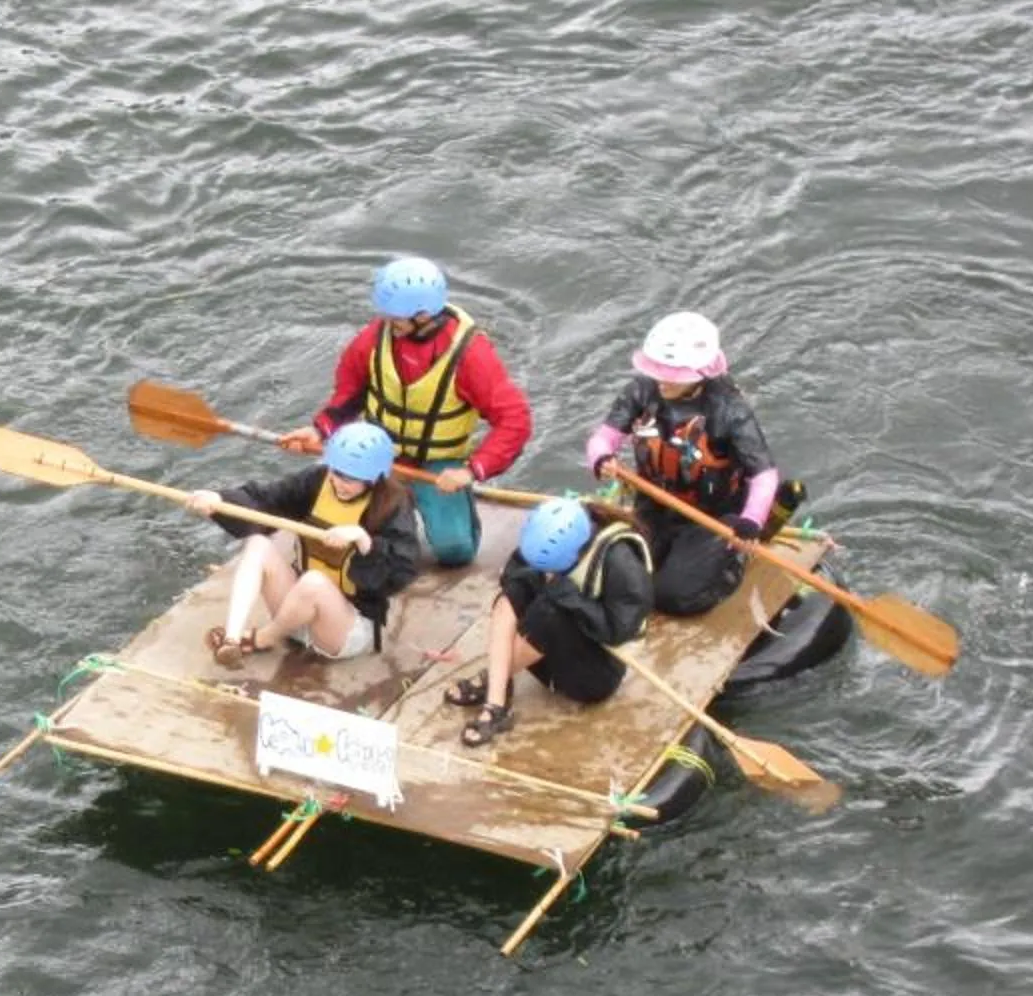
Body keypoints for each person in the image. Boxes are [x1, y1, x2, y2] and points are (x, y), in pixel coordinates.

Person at [275, 254, 533, 567]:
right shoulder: (372, 340)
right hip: (377, 454)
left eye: (395, 318)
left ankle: (435, 509)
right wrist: (321, 429)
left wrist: (471, 470)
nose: (387, 322)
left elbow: (515, 421)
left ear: (423, 317)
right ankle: (396, 509)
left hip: (437, 464)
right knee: (344, 537)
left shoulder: (471, 356)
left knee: (455, 552)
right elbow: (349, 394)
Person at [581, 310, 788, 617]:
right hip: (654, 508)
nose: (662, 380)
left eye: (672, 373)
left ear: (698, 374)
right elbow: (602, 439)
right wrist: (602, 457)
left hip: (712, 519)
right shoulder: (642, 390)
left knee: (672, 596)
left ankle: (733, 561)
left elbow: (764, 476)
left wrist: (751, 522)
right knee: (617, 578)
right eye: (659, 370)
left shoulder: (729, 410)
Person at [185, 421, 424, 665]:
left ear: (374, 479)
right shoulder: (318, 481)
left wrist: (364, 542)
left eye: (351, 479)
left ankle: (262, 639)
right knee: (258, 543)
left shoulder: (395, 504)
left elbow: (402, 571)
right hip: (295, 612)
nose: (339, 483)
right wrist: (219, 501)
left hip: (344, 628)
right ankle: (232, 640)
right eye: (336, 472)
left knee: (314, 583)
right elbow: (266, 500)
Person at [444, 498, 654, 748]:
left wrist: (569, 595)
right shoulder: (546, 534)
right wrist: (531, 582)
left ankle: (495, 677)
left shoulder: (620, 562)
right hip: (550, 648)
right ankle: (497, 702)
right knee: (511, 595)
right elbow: (515, 570)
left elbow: (619, 630)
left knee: (549, 613)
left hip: (595, 671)